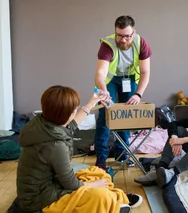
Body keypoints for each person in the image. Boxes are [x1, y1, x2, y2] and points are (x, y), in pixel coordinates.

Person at [15, 85, 142, 213]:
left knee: (97, 173)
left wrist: (92, 102)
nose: (76, 110)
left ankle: (113, 200)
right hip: (40, 200)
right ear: (66, 114)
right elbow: (70, 184)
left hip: (50, 185)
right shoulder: (55, 145)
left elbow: (71, 125)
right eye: (74, 109)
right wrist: (92, 185)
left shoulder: (42, 123)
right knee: (99, 193)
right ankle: (113, 202)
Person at [94, 15, 152, 170]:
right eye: (119, 35)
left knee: (126, 115)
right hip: (110, 81)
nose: (123, 40)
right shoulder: (108, 44)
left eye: (127, 36)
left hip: (129, 79)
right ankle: (101, 158)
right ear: (115, 32)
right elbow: (100, 73)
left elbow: (145, 72)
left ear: (133, 33)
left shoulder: (141, 43)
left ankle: (123, 155)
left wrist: (138, 94)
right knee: (105, 117)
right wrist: (104, 92)